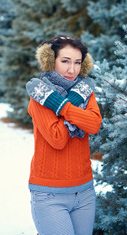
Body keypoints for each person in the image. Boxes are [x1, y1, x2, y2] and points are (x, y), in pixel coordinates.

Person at [26, 35, 102, 235]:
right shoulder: (40, 95)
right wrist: (76, 108)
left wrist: (60, 105)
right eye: (65, 61)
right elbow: (57, 138)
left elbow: (94, 124)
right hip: (49, 194)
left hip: (84, 191)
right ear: (51, 61)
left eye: (77, 63)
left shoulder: (85, 92)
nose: (72, 70)